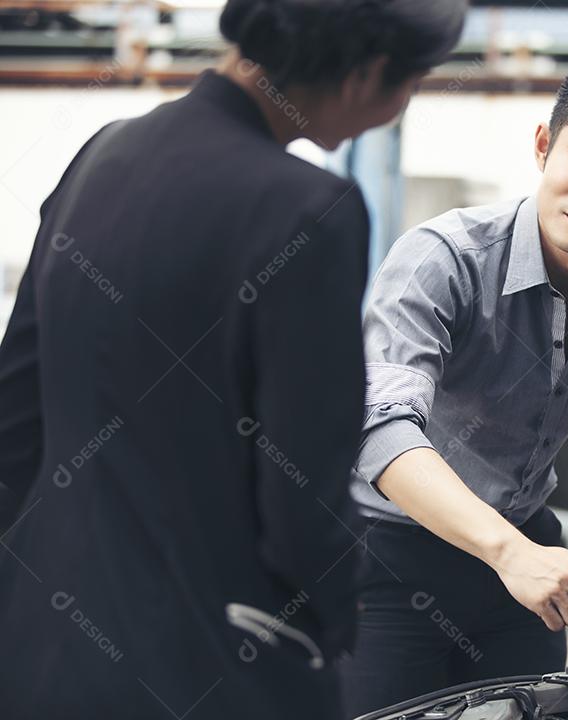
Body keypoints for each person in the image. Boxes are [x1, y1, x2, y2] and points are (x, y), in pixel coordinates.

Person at [0, 1, 465, 718]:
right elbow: (301, 491)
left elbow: (16, 416)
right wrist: (331, 628)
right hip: (215, 667)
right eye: (412, 85)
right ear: (367, 74)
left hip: (39, 650)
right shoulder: (310, 209)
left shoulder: (102, 152)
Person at [341, 54, 568, 714]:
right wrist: (511, 554)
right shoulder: (441, 258)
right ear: (543, 147)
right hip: (388, 556)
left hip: (524, 557)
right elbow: (379, 429)